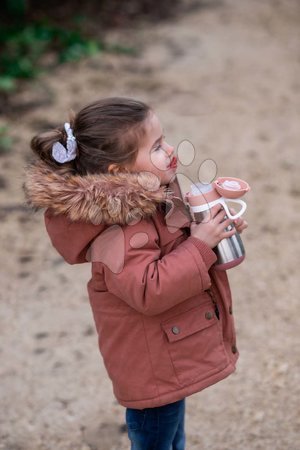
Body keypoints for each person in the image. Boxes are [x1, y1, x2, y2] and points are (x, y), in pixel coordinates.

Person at [24, 97, 248, 450]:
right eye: (157, 147)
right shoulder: (119, 231)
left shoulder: (153, 198)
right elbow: (149, 289)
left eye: (165, 139)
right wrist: (201, 245)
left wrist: (211, 232)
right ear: (119, 173)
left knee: (172, 436)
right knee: (156, 439)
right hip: (151, 368)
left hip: (166, 354)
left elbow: (176, 250)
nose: (171, 150)